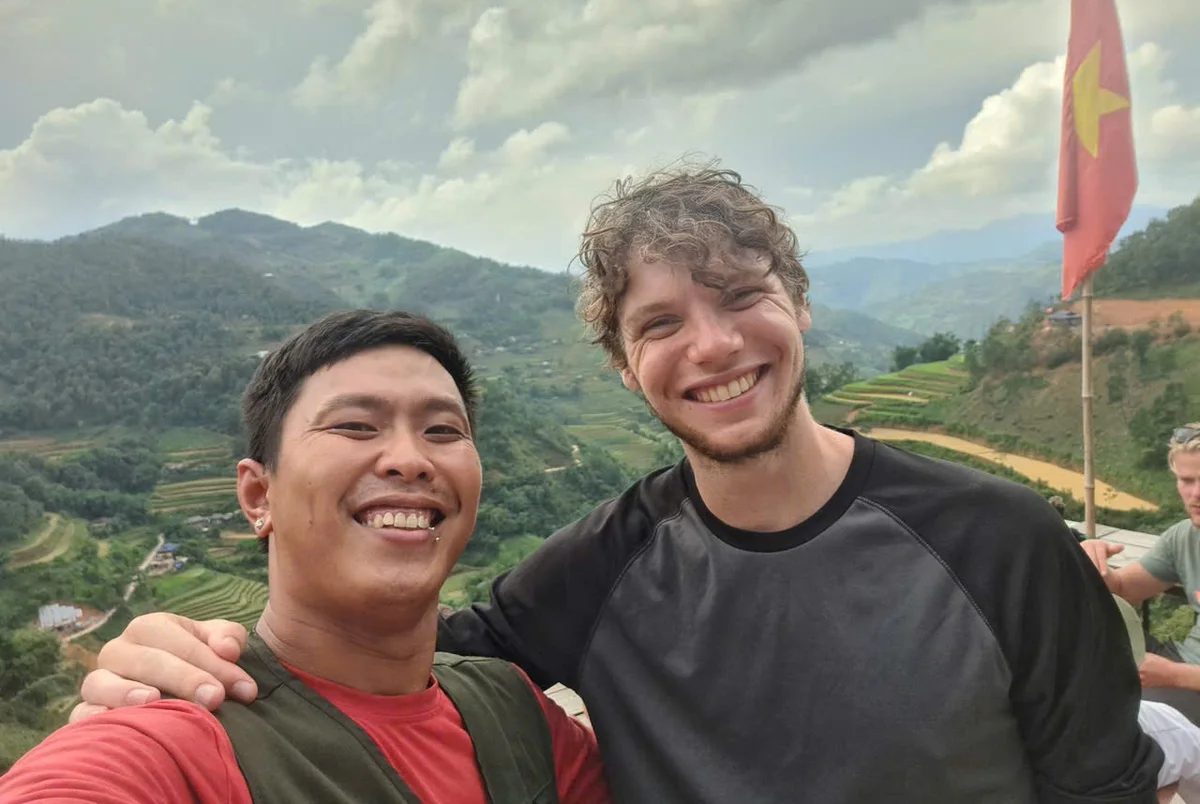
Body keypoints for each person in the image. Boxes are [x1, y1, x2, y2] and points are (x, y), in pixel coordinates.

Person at [72, 166, 1163, 802]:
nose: (714, 346)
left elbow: (1103, 789)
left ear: (802, 304)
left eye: (742, 296)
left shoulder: (1000, 542)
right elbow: (385, 647)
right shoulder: (601, 566)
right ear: (621, 365)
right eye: (660, 324)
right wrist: (177, 653)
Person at [0, 310, 609, 804]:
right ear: (258, 495)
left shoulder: (512, 710)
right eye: (354, 426)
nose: (410, 458)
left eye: (443, 431)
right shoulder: (184, 738)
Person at [1081, 423, 1200, 727]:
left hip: (1187, 679)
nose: (1196, 493)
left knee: (1119, 726)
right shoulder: (1184, 538)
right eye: (1187, 480)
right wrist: (1094, 562)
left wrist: (1175, 676)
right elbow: (1121, 589)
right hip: (1179, 662)